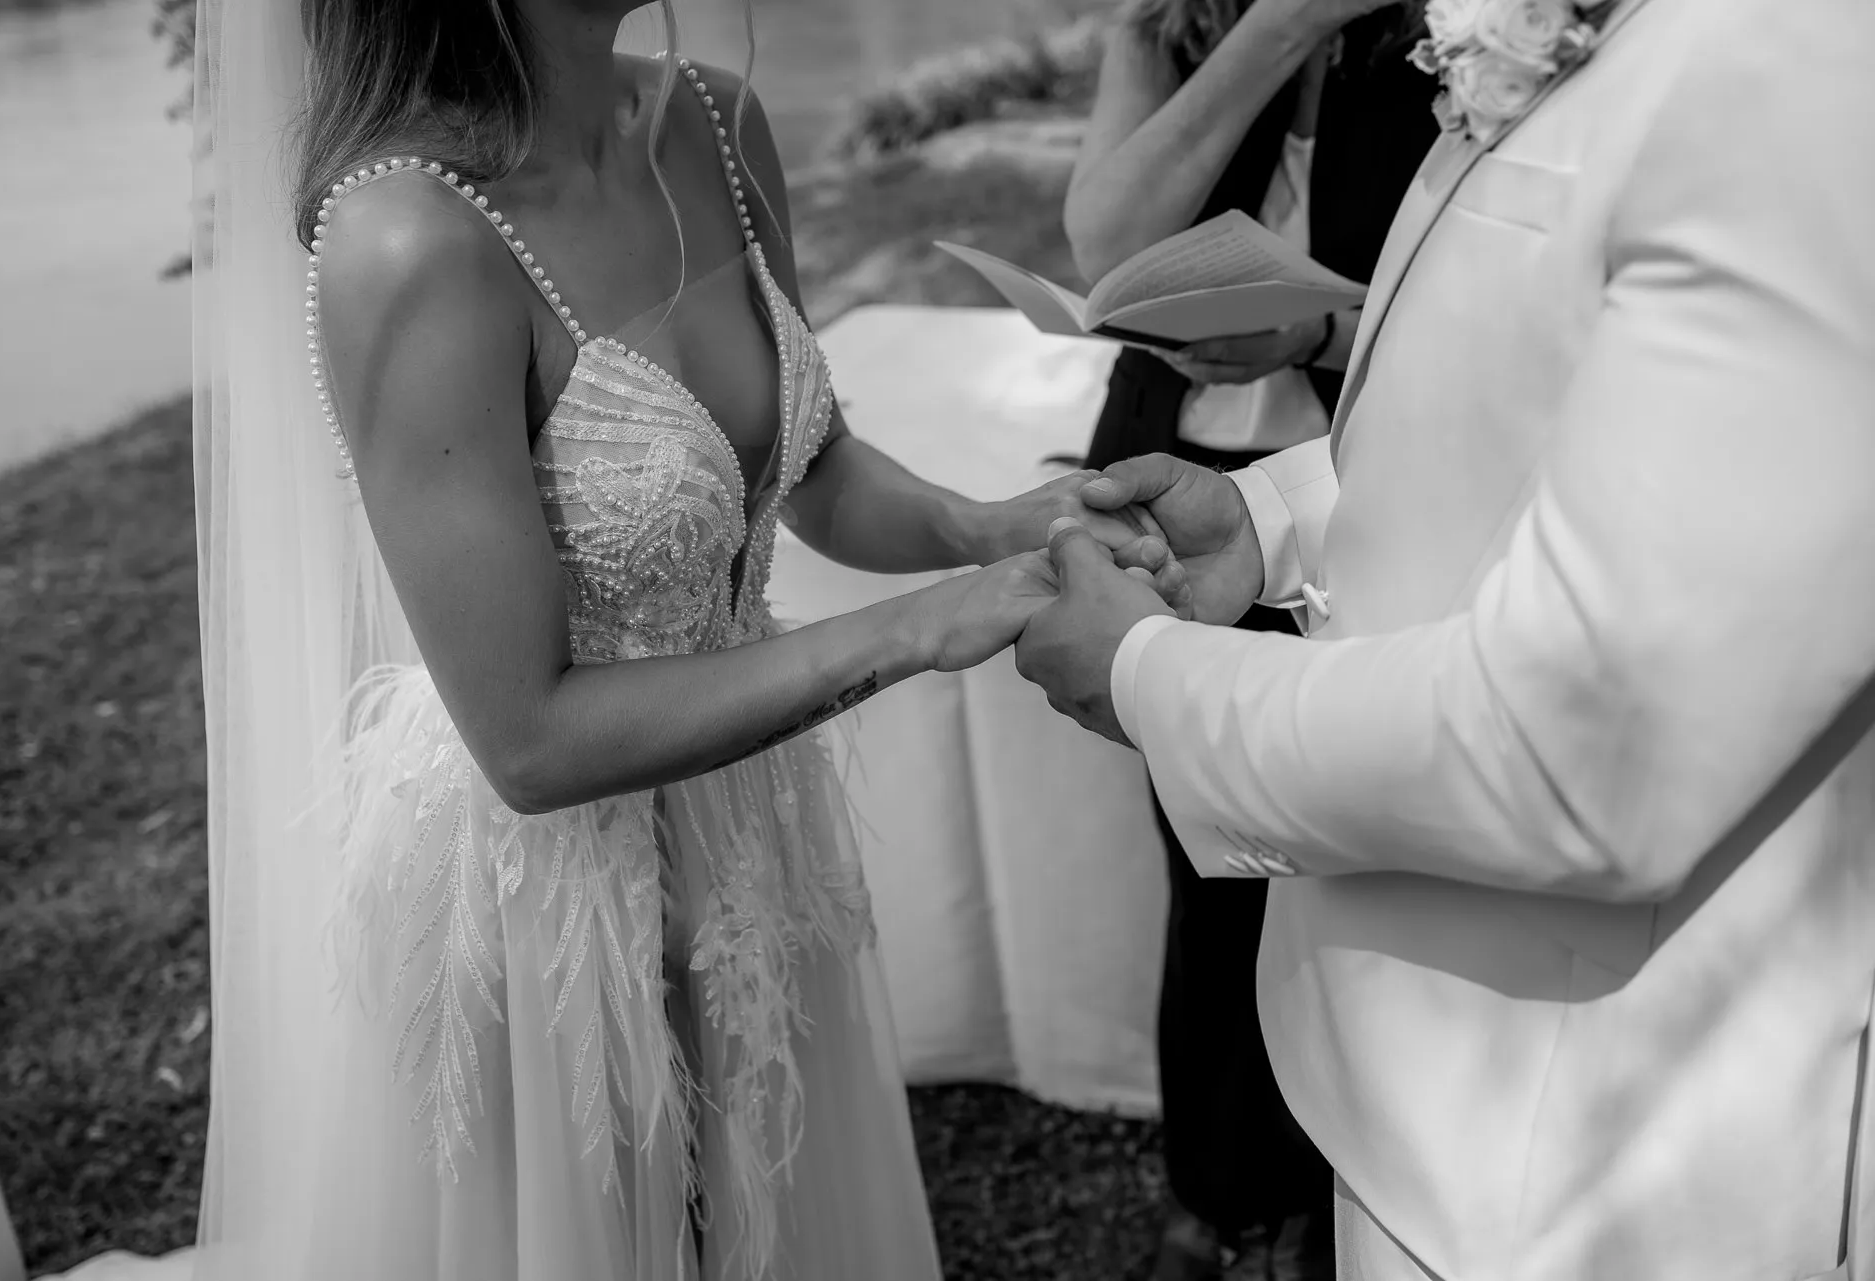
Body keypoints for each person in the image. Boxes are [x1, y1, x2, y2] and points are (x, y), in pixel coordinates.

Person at [187, 0, 1185, 1277]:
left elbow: (806, 470)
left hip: (751, 803)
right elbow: (530, 743)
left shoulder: (714, 117)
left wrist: (982, 525)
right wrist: (922, 629)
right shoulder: (408, 235)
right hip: (550, 888)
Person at [1015, 0, 1875, 1276]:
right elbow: (1534, 400)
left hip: (1587, 1148)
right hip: (1430, 1086)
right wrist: (1273, 520)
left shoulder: (1784, 64)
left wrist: (1151, 677)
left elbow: (1584, 752)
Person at [1062, 0, 1437, 1273]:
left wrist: (1319, 333)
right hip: (1176, 471)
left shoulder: (1474, 28)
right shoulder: (1176, 18)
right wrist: (1273, 31)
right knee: (1208, 858)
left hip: (1378, 471)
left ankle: (1362, 1179)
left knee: (1371, 842)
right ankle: (1224, 1189)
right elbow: (1104, 240)